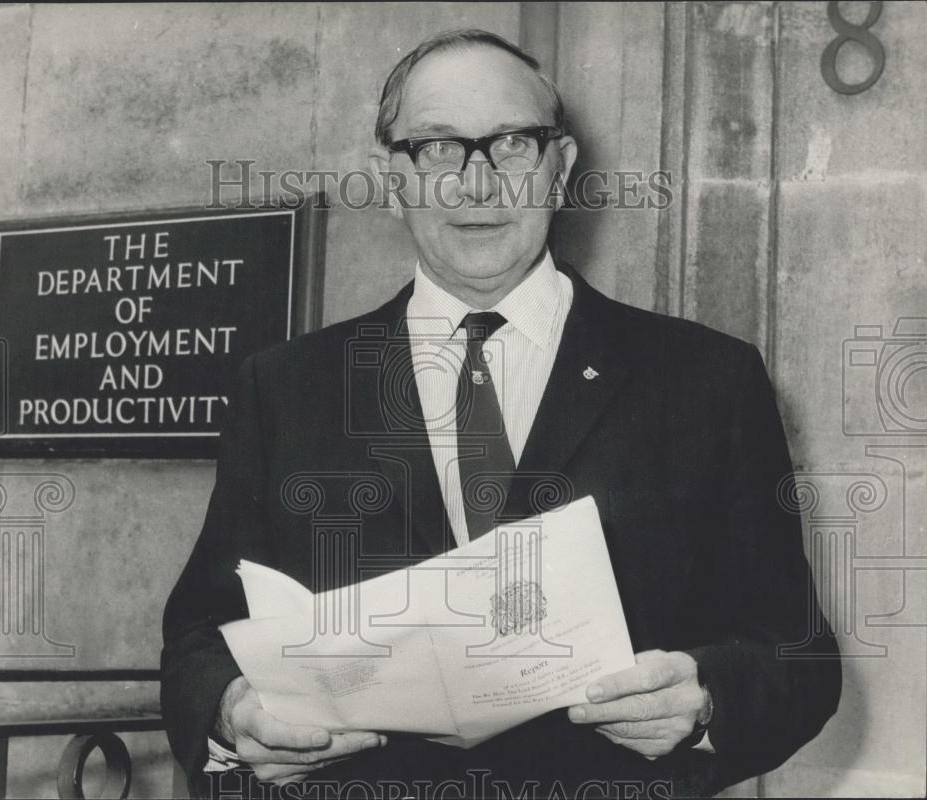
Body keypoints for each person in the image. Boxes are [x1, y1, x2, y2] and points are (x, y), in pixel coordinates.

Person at [162, 29, 840, 799]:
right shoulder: (282, 389)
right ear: (392, 180)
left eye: (513, 144)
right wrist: (230, 713)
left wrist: (706, 697)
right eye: (440, 148)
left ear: (561, 169)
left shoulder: (707, 379)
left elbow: (798, 651)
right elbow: (199, 636)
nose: (477, 186)